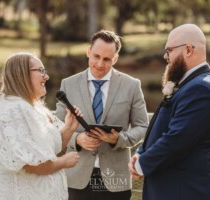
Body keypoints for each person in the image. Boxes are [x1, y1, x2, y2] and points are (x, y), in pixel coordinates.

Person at [129, 24, 210, 200]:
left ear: (188, 50)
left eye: (169, 50)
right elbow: (163, 129)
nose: (165, 56)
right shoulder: (190, 84)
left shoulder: (201, 88)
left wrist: (142, 164)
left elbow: (177, 139)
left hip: (189, 191)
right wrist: (141, 152)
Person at [55, 30, 148, 200]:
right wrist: (77, 139)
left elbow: (142, 127)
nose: (99, 63)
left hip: (116, 180)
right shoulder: (68, 85)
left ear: (115, 59)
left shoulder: (132, 86)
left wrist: (118, 139)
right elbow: (56, 126)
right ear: (89, 52)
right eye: (96, 56)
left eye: (106, 59)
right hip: (75, 178)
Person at [0, 52, 81, 200]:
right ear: (21, 75)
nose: (46, 76)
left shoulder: (29, 108)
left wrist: (69, 127)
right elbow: (32, 164)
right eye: (40, 71)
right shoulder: (14, 111)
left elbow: (46, 149)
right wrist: (63, 162)